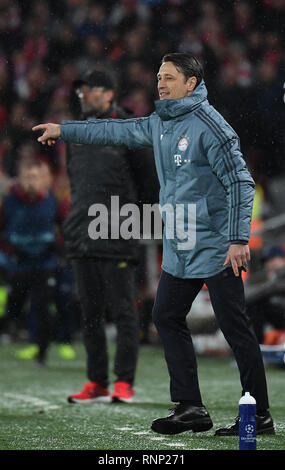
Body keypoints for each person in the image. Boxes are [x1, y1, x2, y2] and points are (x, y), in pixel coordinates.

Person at [32, 53, 274, 435]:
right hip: (180, 245)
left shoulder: (212, 127)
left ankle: (258, 415)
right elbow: (115, 132)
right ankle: (191, 406)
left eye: (169, 77)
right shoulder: (161, 122)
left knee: (234, 327)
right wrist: (66, 130)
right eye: (159, 76)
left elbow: (242, 183)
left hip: (215, 244)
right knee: (165, 316)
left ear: (191, 83)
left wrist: (238, 238)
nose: (160, 83)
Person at [55, 70, 142, 404]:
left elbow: (148, 183)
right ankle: (97, 381)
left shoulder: (131, 128)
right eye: (81, 92)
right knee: (89, 313)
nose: (84, 96)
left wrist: (137, 225)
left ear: (109, 95)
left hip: (119, 229)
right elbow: (77, 184)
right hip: (82, 232)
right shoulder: (76, 133)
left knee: (123, 311)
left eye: (91, 91)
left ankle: (124, 382)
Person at [0, 158, 65, 365]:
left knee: (42, 307)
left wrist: (59, 247)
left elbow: (63, 229)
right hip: (17, 264)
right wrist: (9, 251)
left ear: (42, 180)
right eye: (27, 177)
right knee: (14, 306)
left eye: (35, 177)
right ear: (20, 179)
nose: (31, 182)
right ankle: (11, 330)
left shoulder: (52, 202)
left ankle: (42, 350)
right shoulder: (8, 203)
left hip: (44, 264)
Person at [245, 245, 285, 344]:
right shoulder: (273, 276)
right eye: (267, 261)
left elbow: (268, 290)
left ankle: (256, 345)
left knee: (256, 304)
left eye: (272, 259)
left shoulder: (279, 276)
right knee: (255, 305)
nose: (269, 263)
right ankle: (257, 344)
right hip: (280, 314)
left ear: (282, 259)